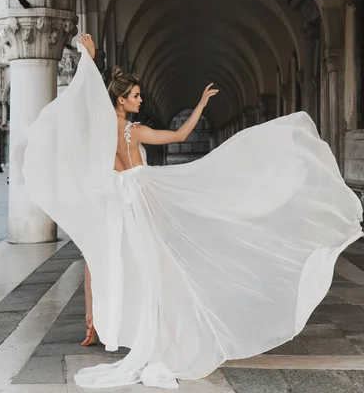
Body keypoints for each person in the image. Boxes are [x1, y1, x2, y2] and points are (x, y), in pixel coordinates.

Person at [23, 34, 363, 390]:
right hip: (141, 198)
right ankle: (167, 331)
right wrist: (200, 104)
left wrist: (88, 60)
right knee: (162, 266)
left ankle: (107, 325)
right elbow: (180, 134)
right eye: (135, 96)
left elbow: (85, 101)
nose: (141, 100)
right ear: (121, 100)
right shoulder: (133, 132)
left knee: (116, 262)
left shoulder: (100, 127)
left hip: (117, 201)